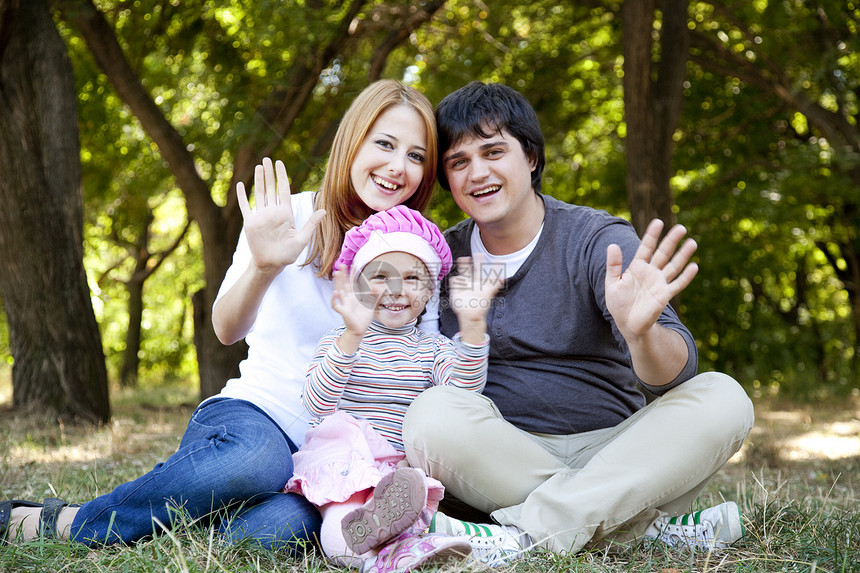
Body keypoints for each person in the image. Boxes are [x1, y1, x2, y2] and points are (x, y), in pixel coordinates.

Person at [0, 79, 438, 550]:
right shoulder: (287, 215)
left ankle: (175, 528)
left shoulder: (421, 255)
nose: (398, 167)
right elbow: (227, 329)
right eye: (386, 144)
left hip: (337, 457)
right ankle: (71, 522)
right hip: (257, 420)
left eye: (416, 156)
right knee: (255, 462)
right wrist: (265, 266)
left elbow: (426, 368)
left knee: (274, 532)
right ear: (353, 141)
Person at [401, 82, 756, 565]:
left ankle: (525, 534)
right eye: (458, 162)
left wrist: (641, 333)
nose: (477, 173)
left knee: (724, 399)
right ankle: (640, 528)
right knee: (431, 415)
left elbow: (674, 377)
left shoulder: (596, 240)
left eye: (493, 151)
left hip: (621, 451)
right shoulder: (443, 257)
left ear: (530, 157)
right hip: (503, 457)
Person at [284, 205, 503, 572]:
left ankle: (410, 546)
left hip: (398, 471)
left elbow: (463, 395)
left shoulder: (433, 349)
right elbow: (318, 404)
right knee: (343, 523)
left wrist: (475, 326)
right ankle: (372, 559)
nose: (396, 290)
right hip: (347, 464)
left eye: (413, 279)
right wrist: (352, 336)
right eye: (381, 277)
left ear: (431, 291)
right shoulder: (340, 340)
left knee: (408, 507)